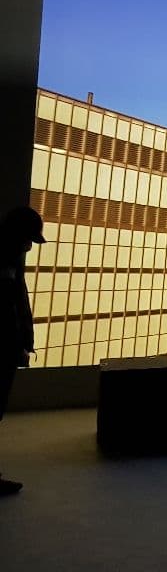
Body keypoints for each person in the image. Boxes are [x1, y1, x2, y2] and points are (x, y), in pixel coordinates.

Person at [0, 206, 44, 496]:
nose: (29, 245)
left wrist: (24, 343)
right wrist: (19, 344)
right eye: (28, 239)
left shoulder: (11, 260)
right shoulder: (4, 261)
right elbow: (8, 310)